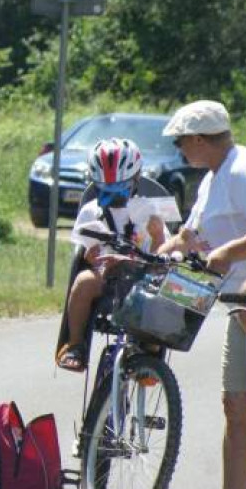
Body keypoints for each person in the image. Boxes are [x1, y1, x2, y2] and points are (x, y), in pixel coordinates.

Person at [157, 100, 246, 489]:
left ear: (198, 138)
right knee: (236, 408)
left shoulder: (242, 171)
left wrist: (229, 252)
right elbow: (190, 235)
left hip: (243, 297)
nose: (179, 150)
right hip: (236, 307)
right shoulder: (212, 177)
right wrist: (163, 252)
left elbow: (223, 251)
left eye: (180, 142)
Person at [55, 138, 166, 372]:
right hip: (108, 275)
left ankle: (150, 359)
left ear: (136, 178)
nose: (114, 195)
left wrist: (157, 238)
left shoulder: (152, 208)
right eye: (106, 189)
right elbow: (86, 254)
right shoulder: (91, 210)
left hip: (144, 276)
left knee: (161, 297)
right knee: (84, 282)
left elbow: (165, 254)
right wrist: (91, 256)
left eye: (121, 187)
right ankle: (75, 344)